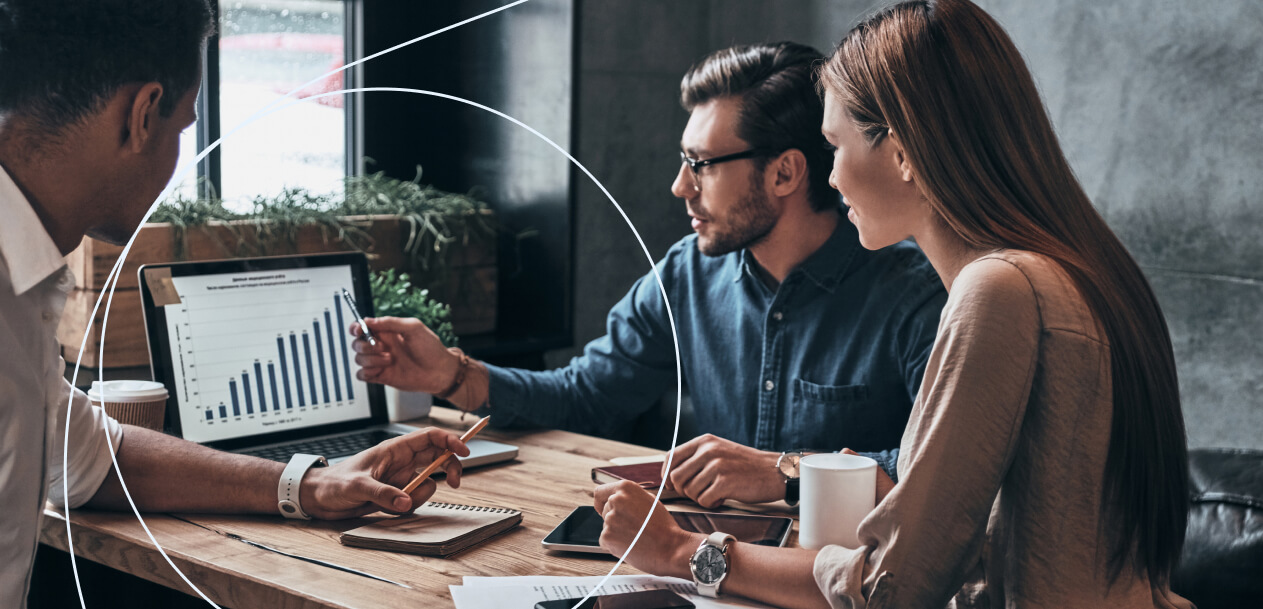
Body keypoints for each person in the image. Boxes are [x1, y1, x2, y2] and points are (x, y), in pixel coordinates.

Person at [592, 1, 1194, 608]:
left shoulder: (999, 291)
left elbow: (891, 589)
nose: (829, 178)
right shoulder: (1077, 269)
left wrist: (679, 551)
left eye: (836, 147)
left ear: (903, 152)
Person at [0, 2, 468, 607]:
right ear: (143, 115)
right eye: (184, 127)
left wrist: (313, 484)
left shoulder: (24, 283)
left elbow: (86, 455)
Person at [352, 42, 946, 509]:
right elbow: (587, 397)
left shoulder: (914, 295)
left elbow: (937, 473)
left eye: (701, 165)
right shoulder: (685, 276)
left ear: (785, 174)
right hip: (688, 567)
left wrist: (785, 470)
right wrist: (451, 373)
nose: (680, 186)